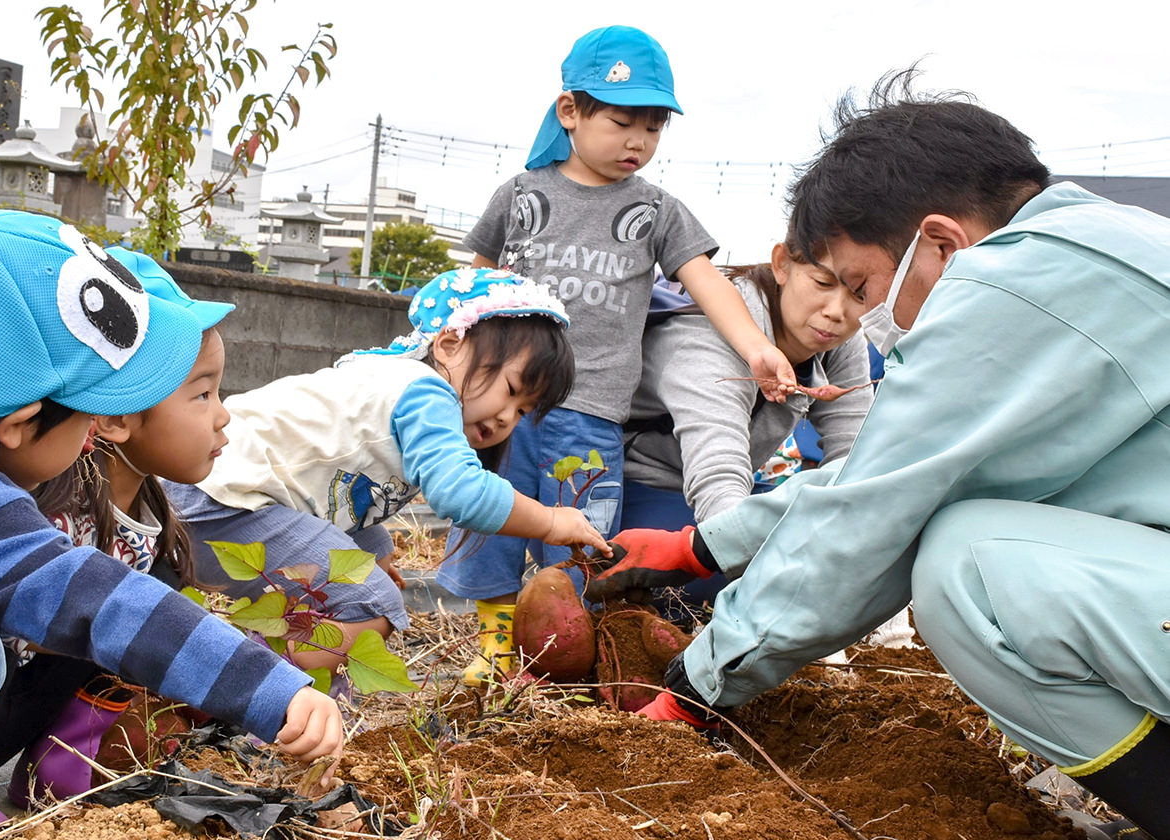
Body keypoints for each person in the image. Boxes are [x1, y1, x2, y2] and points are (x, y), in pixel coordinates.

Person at [586, 68, 1170, 838]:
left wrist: (695, 685)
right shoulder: (1097, 247)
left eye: (863, 287)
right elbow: (885, 472)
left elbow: (875, 513)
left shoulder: (1009, 288)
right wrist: (702, 544)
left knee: (968, 566)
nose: (860, 316)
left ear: (940, 244)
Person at [0, 211, 341, 840]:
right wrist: (272, 690)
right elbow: (107, 603)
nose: (96, 430)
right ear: (20, 423)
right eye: (90, 413)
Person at [437, 25, 795, 685]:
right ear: (570, 111)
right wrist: (444, 367)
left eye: (654, 129)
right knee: (489, 512)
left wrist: (756, 348)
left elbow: (706, 282)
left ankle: (567, 662)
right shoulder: (521, 197)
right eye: (623, 122)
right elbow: (468, 286)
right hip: (504, 404)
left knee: (578, 539)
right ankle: (492, 649)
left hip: (595, 410)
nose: (638, 142)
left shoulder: (656, 211)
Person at [164, 266, 611, 680]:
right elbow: (462, 494)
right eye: (511, 391)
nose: (505, 419)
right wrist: (551, 521)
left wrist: (376, 558)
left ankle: (213, 671)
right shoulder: (427, 392)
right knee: (372, 607)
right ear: (450, 343)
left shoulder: (392, 382)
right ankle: (249, 683)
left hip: (202, 491)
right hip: (226, 497)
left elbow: (339, 483)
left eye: (522, 411)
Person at [0, 295, 231, 807]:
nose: (223, 415)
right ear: (114, 415)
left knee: (151, 597)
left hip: (6, 716)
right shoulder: (47, 516)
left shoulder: (153, 528)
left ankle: (61, 759)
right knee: (123, 613)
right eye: (202, 394)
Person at [620, 241, 871, 615]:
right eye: (822, 283)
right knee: (723, 581)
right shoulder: (705, 339)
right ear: (782, 264)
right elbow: (718, 481)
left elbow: (859, 462)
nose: (836, 312)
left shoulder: (838, 340)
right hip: (651, 484)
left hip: (745, 486)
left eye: (860, 294)